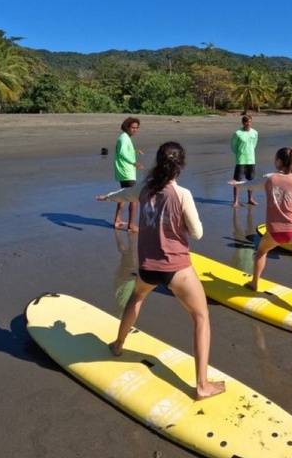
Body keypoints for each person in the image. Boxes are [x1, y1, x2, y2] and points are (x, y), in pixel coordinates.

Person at [96, 141, 226, 401]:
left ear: (157, 162)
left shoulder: (144, 190)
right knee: (201, 317)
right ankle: (201, 385)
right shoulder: (182, 194)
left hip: (147, 267)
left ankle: (118, 345)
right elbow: (198, 234)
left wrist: (106, 198)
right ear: (180, 165)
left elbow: (123, 195)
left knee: (137, 298)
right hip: (177, 269)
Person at [230, 147, 292, 317]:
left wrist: (236, 184)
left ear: (279, 162)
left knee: (260, 252)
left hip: (273, 231)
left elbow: (249, 185)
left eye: (276, 159)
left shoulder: (269, 178)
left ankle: (254, 284)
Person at [113, 116, 144, 232]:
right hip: (126, 171)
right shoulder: (124, 138)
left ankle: (117, 220)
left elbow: (125, 151)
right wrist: (134, 162)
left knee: (124, 195)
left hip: (124, 171)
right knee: (134, 197)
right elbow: (122, 153)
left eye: (137, 128)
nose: (135, 130)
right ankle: (131, 225)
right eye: (133, 127)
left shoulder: (125, 138)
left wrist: (135, 152)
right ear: (127, 127)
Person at [231, 114, 259, 208]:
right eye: (246, 122)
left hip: (251, 159)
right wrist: (239, 154)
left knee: (251, 180)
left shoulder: (255, 133)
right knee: (237, 181)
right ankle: (236, 201)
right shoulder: (238, 133)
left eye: (250, 122)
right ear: (243, 123)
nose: (248, 123)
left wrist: (249, 153)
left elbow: (254, 144)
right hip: (241, 160)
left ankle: (250, 199)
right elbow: (233, 146)